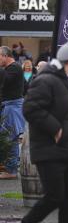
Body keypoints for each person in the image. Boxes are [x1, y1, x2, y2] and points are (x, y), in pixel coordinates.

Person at [22, 42, 68, 223]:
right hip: (49, 150)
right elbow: (30, 108)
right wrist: (54, 127)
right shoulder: (46, 80)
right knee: (55, 196)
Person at [0, 46, 25, 179]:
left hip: (12, 105)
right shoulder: (9, 69)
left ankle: (11, 170)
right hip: (9, 105)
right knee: (7, 137)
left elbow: (5, 80)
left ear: (5, 56)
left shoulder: (14, 68)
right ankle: (8, 167)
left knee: (10, 138)